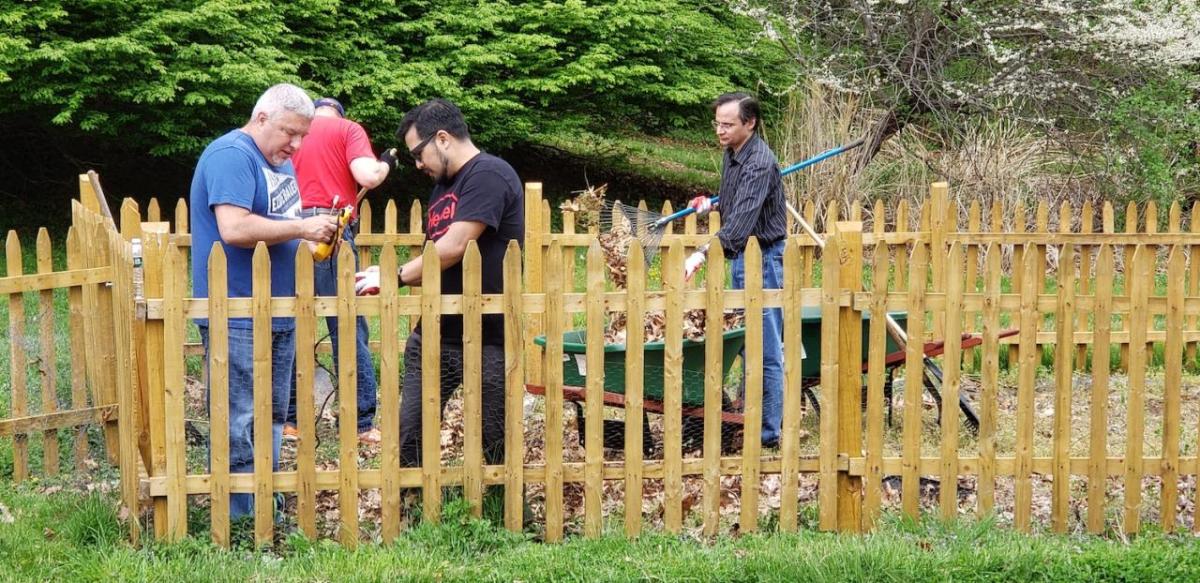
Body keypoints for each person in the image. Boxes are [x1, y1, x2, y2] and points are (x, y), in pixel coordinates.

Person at [191, 83, 338, 518]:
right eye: (290, 133)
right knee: (238, 416)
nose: (295, 144)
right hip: (236, 309)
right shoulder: (232, 155)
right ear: (261, 118)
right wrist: (302, 230)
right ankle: (239, 518)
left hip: (277, 308)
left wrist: (310, 238)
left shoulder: (280, 162)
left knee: (272, 415)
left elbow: (278, 221)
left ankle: (265, 502)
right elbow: (234, 228)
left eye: (302, 136)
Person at [355, 98, 523, 468]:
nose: (417, 164)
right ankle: (416, 513)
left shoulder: (489, 175)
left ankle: (505, 518)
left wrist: (394, 277)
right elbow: (436, 257)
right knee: (411, 434)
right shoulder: (442, 187)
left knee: (495, 442)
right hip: (434, 332)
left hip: (487, 337)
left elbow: (456, 245)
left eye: (419, 152)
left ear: (443, 138)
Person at [287, 96, 399, 445]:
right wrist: (384, 165)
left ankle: (289, 420)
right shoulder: (347, 129)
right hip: (328, 231)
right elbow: (367, 175)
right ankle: (360, 422)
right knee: (348, 324)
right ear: (339, 114)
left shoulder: (292, 131)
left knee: (287, 322)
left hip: (286, 230)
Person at [685, 92, 787, 449]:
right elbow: (734, 201)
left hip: (764, 258)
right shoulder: (733, 153)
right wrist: (709, 203)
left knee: (766, 348)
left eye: (728, 124)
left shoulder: (759, 162)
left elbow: (741, 224)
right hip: (745, 257)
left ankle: (768, 434)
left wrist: (701, 254)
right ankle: (751, 417)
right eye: (717, 123)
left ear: (750, 123)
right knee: (748, 343)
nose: (720, 130)